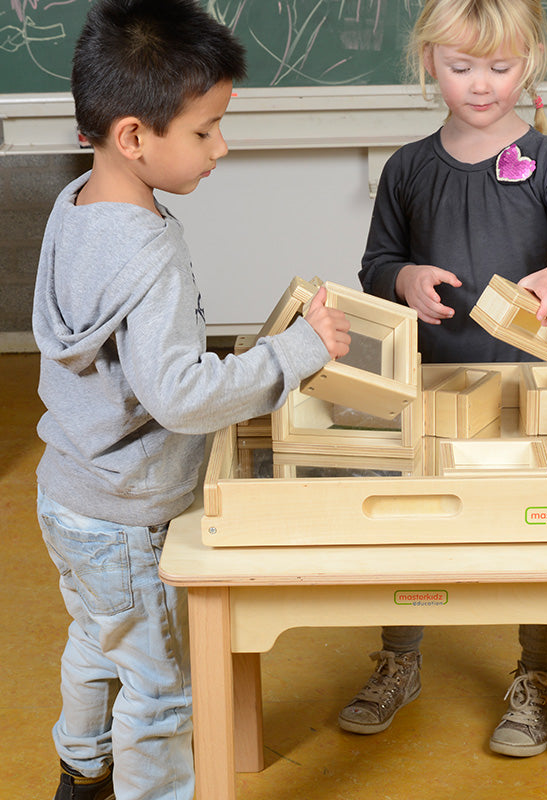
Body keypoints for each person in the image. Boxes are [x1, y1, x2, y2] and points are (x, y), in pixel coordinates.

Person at [32, 2, 351, 798]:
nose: (222, 148)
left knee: (98, 639)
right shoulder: (151, 250)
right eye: (205, 131)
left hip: (69, 496)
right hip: (131, 518)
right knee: (162, 687)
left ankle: (81, 769)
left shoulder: (72, 209)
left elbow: (129, 364)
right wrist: (294, 354)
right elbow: (175, 395)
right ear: (135, 136)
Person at [339, 0, 547, 759]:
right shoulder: (407, 166)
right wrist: (403, 279)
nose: (481, 84)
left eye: (499, 67)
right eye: (462, 66)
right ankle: (401, 658)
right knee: (408, 521)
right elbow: (374, 264)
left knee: (537, 529)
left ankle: (537, 674)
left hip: (526, 382)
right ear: (429, 61)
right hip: (429, 379)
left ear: (528, 61)